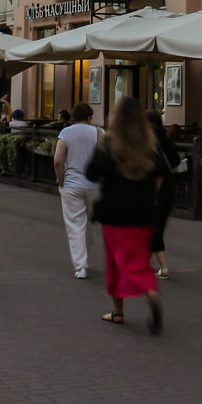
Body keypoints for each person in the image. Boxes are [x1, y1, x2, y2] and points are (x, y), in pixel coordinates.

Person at [86, 97, 169, 334]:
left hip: (114, 212)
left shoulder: (109, 143)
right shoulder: (150, 145)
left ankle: (124, 308)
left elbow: (91, 173)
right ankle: (137, 301)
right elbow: (163, 174)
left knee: (118, 262)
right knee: (138, 259)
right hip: (143, 212)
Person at [54, 102, 102, 279]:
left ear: (73, 117)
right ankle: (85, 254)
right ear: (90, 117)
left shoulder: (66, 133)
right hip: (94, 185)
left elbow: (58, 161)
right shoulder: (99, 133)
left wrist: (61, 181)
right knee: (90, 223)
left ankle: (80, 266)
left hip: (72, 184)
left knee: (75, 225)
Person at [147, 111, 180, 280]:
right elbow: (176, 165)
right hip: (170, 187)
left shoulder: (149, 142)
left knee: (152, 227)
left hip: (155, 188)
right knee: (156, 225)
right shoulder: (167, 140)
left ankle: (163, 267)